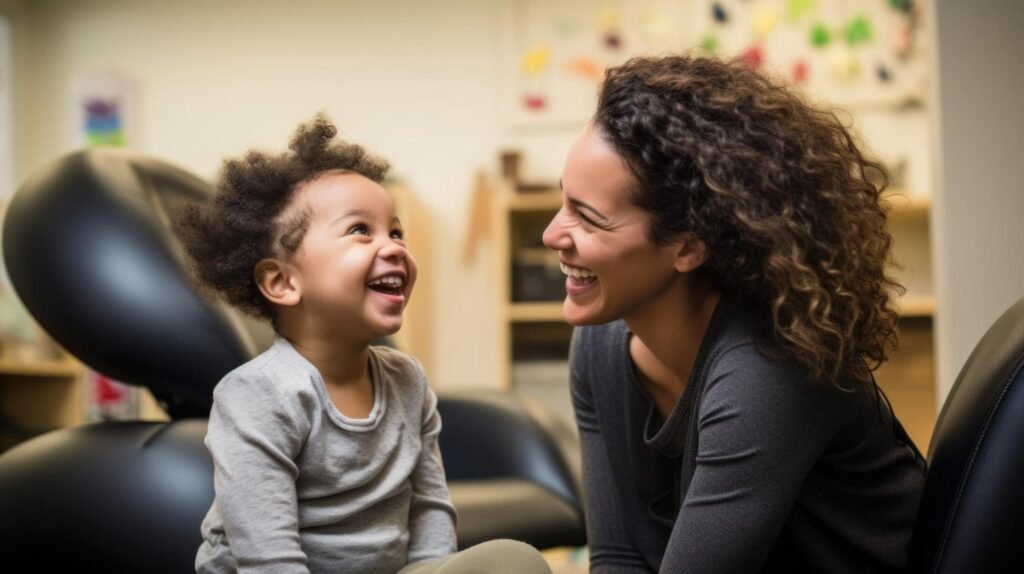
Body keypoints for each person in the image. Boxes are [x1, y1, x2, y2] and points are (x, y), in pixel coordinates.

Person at [542, 55, 927, 573]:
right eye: (563, 201)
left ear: (687, 246)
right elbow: (618, 556)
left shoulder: (768, 372)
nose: (551, 236)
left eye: (588, 219)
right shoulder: (598, 346)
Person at [182, 114, 551, 574]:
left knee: (512, 562)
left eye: (396, 231)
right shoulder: (258, 395)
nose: (394, 247)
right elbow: (268, 559)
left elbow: (430, 509)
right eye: (361, 230)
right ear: (281, 281)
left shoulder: (407, 380)